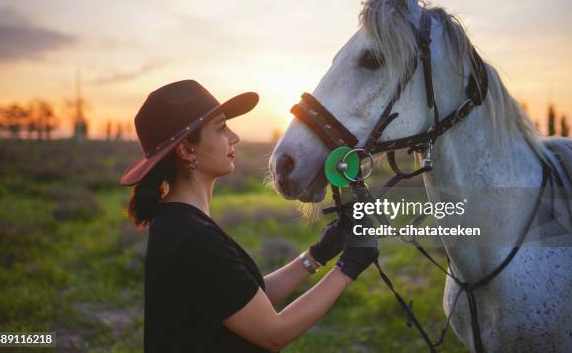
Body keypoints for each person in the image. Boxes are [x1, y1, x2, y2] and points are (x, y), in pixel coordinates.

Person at [120, 80, 379, 352]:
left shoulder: (179, 221)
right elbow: (274, 332)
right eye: (221, 128)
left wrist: (319, 254)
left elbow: (246, 299)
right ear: (186, 150)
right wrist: (349, 266)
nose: (235, 137)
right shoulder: (193, 238)